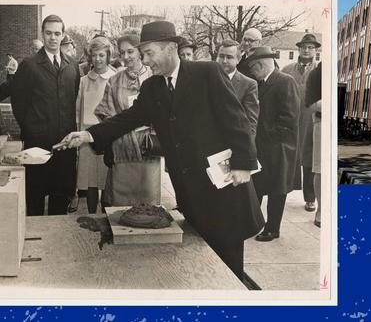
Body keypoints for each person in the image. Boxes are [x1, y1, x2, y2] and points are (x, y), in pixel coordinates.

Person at [57, 21, 264, 279]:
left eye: (149, 53)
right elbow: (128, 118)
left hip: (223, 190)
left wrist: (244, 164)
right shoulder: (152, 87)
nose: (145, 60)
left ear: (170, 48)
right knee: (200, 263)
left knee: (229, 267)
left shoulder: (207, 73)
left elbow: (237, 119)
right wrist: (88, 134)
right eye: (142, 54)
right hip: (190, 192)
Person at [12, 15, 80, 215]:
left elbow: (72, 97)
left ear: (63, 35)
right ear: (42, 34)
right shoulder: (29, 65)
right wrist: (32, 129)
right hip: (37, 143)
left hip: (64, 144)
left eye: (57, 33)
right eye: (48, 33)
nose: (53, 38)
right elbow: (19, 103)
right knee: (35, 196)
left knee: (61, 196)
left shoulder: (72, 65)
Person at [94, 32, 161, 207]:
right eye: (122, 52)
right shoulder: (114, 80)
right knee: (120, 208)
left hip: (148, 150)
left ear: (140, 51)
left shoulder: (155, 78)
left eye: (130, 51)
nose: (125, 57)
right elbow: (105, 113)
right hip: (122, 149)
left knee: (148, 207)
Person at [245, 46, 300, 242]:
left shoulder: (285, 81)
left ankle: (272, 228)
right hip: (264, 147)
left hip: (280, 148)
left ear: (259, 65)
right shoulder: (261, 84)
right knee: (258, 186)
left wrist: (268, 137)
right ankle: (254, 223)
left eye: (252, 67)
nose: (251, 72)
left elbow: (289, 119)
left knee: (277, 190)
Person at [75, 36, 117, 213]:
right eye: (94, 55)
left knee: (108, 178)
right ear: (89, 57)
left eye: (101, 55)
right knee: (90, 179)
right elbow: (77, 110)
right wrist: (78, 135)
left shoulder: (116, 78)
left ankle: (106, 216)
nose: (98, 59)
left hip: (110, 134)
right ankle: (92, 215)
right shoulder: (84, 81)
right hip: (87, 135)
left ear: (108, 56)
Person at [282, 33, 321, 212]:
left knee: (308, 158)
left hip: (309, 120)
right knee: (285, 156)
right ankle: (280, 191)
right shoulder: (287, 69)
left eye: (311, 47)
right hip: (288, 119)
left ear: (315, 50)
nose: (307, 50)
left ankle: (310, 198)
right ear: (298, 48)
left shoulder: (319, 70)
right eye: (304, 47)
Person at [216, 39, 259, 136]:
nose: (224, 61)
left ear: (238, 60)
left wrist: (246, 149)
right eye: (221, 56)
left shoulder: (249, 85)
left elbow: (251, 124)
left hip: (234, 144)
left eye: (229, 57)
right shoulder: (207, 80)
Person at [305, 62, 322, 227]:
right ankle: (321, 211)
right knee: (320, 169)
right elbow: (309, 102)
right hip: (321, 121)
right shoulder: (316, 74)